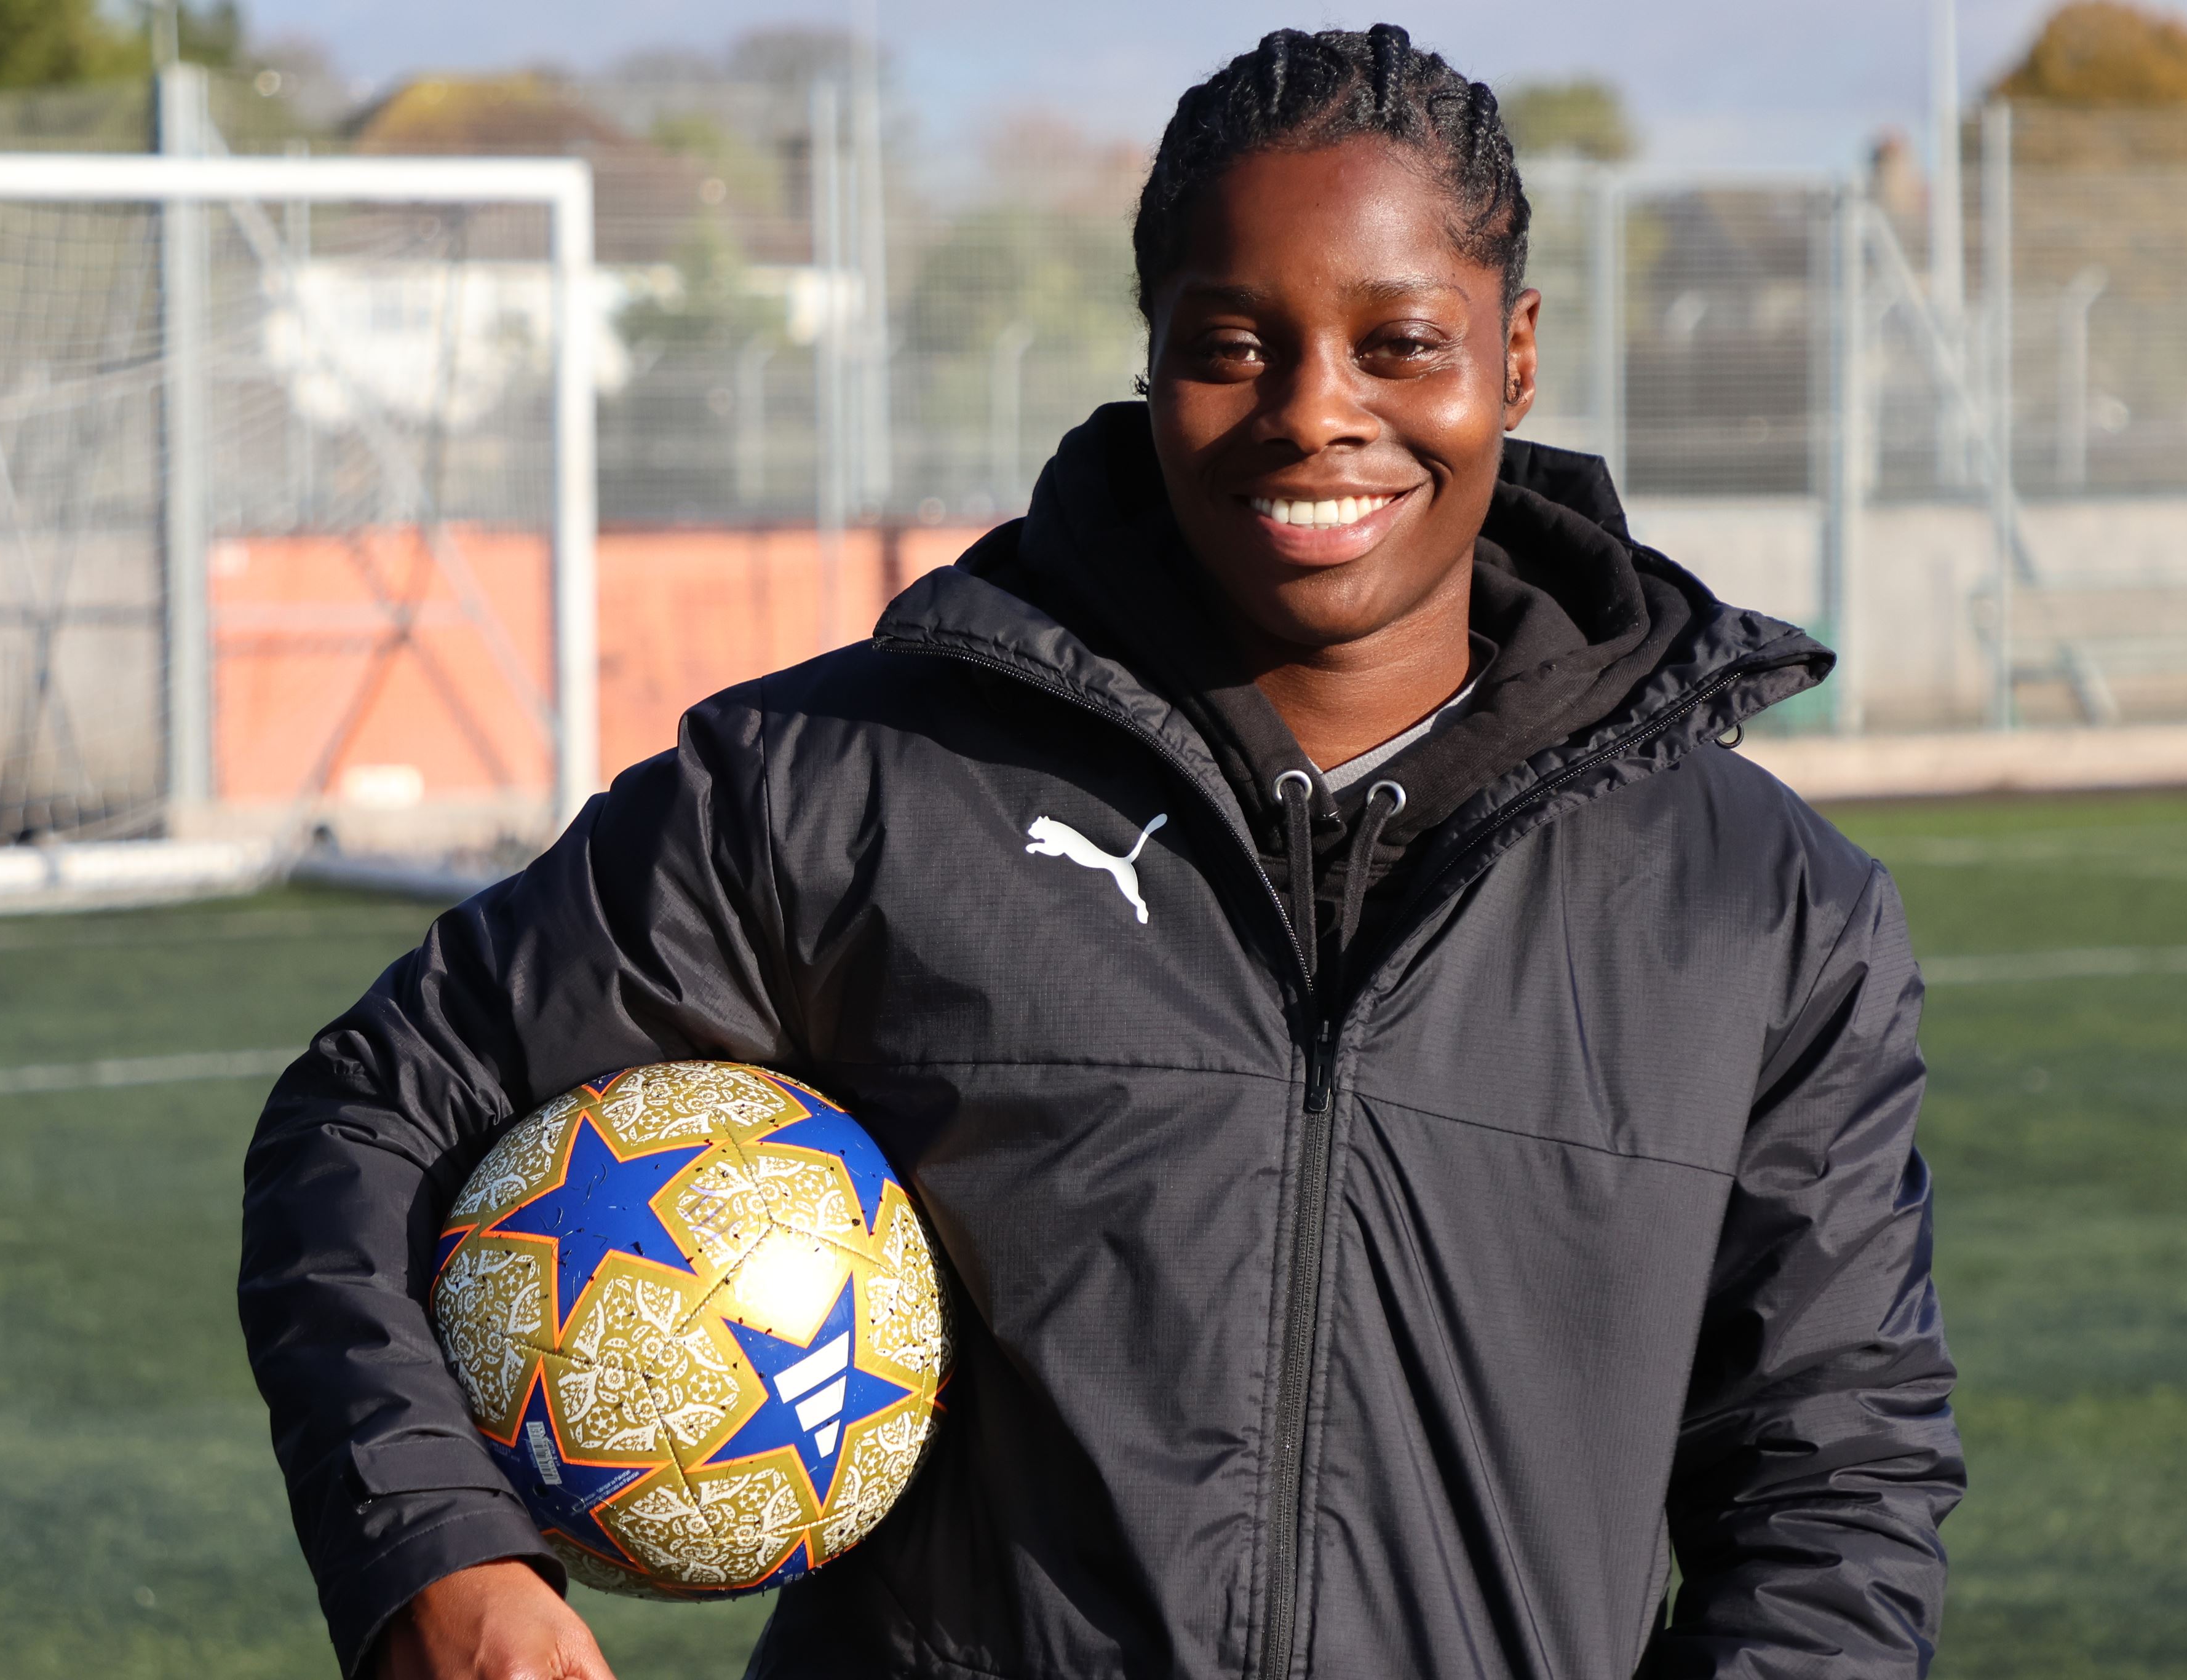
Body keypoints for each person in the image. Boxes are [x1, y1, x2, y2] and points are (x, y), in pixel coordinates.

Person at [240, 23, 1961, 1680]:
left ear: (1512, 354)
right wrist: (438, 1552)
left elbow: (1831, 1479)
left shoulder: (1758, 906)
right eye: (1234, 343)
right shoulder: (862, 782)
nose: (1315, 412)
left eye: (1398, 343)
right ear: (1149, 357)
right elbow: (377, 1110)